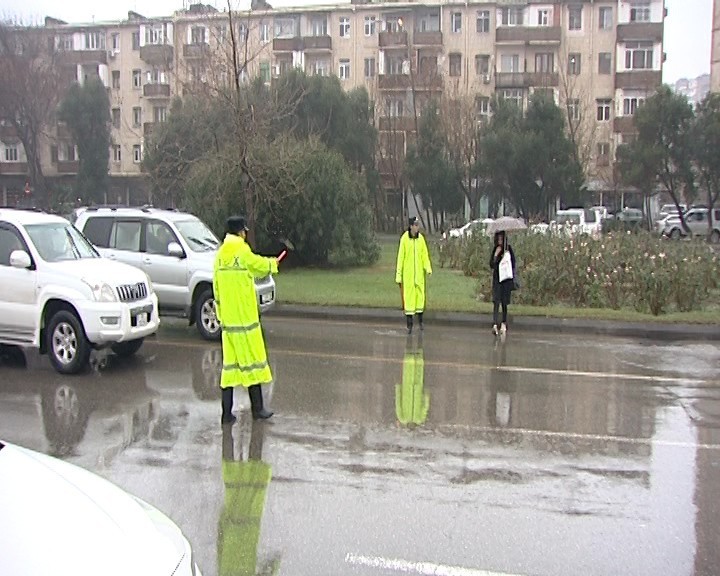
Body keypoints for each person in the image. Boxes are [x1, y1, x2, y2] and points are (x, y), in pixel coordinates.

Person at [214, 215, 280, 424]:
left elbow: (216, 287)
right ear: (241, 232)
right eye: (245, 231)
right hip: (245, 321)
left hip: (229, 323)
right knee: (253, 365)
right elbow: (258, 265)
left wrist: (220, 312)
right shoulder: (242, 251)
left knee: (230, 369)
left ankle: (226, 413)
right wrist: (273, 263)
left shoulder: (220, 255)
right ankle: (258, 409)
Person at [395, 216, 432, 334]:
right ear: (411, 226)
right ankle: (409, 324)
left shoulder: (421, 239)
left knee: (420, 299)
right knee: (409, 300)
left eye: (418, 225)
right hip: (408, 276)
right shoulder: (405, 239)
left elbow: (424, 255)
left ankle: (421, 321)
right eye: (415, 225)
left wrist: (427, 268)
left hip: (419, 275)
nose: (417, 227)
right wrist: (399, 275)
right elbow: (400, 258)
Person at [489, 230, 516, 336]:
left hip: (506, 280)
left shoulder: (508, 249)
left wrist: (506, 258)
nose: (500, 241)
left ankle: (504, 323)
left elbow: (513, 263)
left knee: (504, 302)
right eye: (498, 239)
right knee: (496, 301)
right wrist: (496, 255)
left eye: (501, 239)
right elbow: (491, 264)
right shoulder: (496, 249)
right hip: (497, 279)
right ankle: (495, 324)